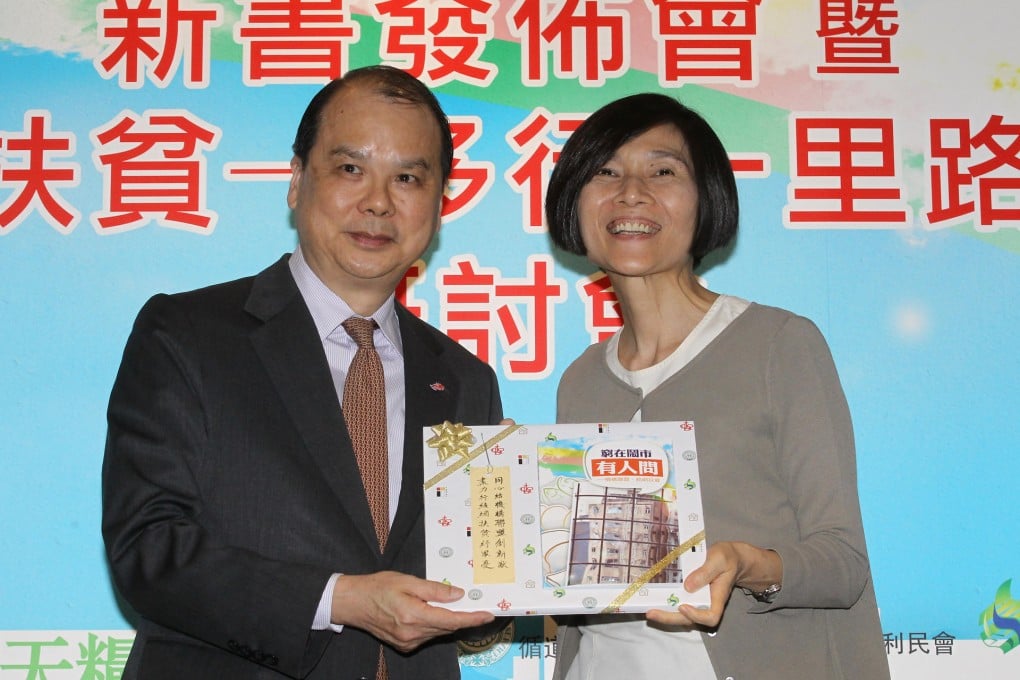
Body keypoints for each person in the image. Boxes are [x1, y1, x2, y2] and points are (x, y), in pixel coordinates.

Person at [101, 65, 504, 680]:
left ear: (439, 203)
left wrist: (535, 552)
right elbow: (149, 549)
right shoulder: (186, 335)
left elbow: (475, 581)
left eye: (407, 178)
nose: (378, 202)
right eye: (350, 169)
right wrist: (339, 599)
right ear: (296, 180)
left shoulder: (464, 379)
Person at [544, 93, 890, 679]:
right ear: (573, 203)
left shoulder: (778, 344)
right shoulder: (580, 380)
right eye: (605, 172)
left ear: (707, 200)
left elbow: (843, 562)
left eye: (662, 172)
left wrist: (747, 564)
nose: (631, 193)